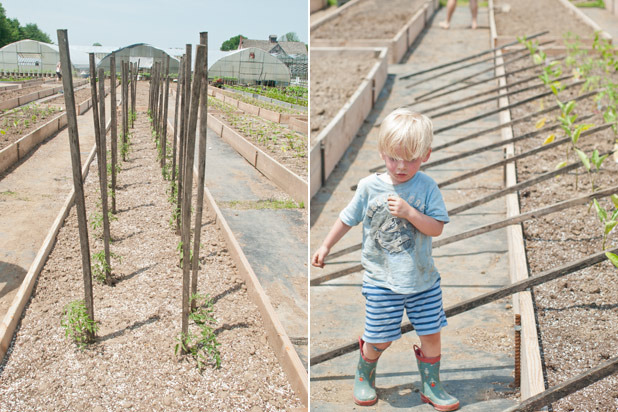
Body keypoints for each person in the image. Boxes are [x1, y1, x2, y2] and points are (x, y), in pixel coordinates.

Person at [311, 108, 459, 411]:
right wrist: (325, 246)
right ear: (381, 152)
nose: (400, 167)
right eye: (393, 158)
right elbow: (347, 219)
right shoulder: (369, 187)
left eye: (411, 160)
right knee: (381, 338)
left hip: (423, 280)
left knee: (431, 334)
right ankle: (365, 371)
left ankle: (431, 386)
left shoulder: (427, 187)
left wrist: (409, 212)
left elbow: (437, 228)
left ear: (426, 155)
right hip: (382, 280)